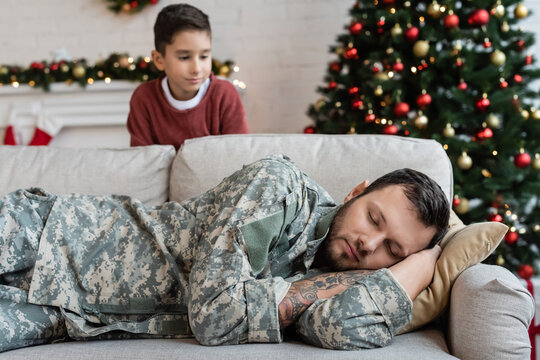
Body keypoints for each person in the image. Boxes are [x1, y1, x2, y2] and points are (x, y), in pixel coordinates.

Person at [0, 155, 449, 353]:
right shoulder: (280, 187)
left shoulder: (334, 287)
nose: (370, 244)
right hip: (50, 234)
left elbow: (339, 328)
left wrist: (416, 268)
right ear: (356, 192)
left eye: (392, 248)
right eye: (373, 218)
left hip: (66, 317)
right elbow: (214, 317)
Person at [126, 4, 249, 150]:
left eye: (204, 56)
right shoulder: (144, 98)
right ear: (159, 60)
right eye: (184, 57)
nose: (196, 69)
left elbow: (239, 154)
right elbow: (142, 162)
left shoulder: (224, 94)